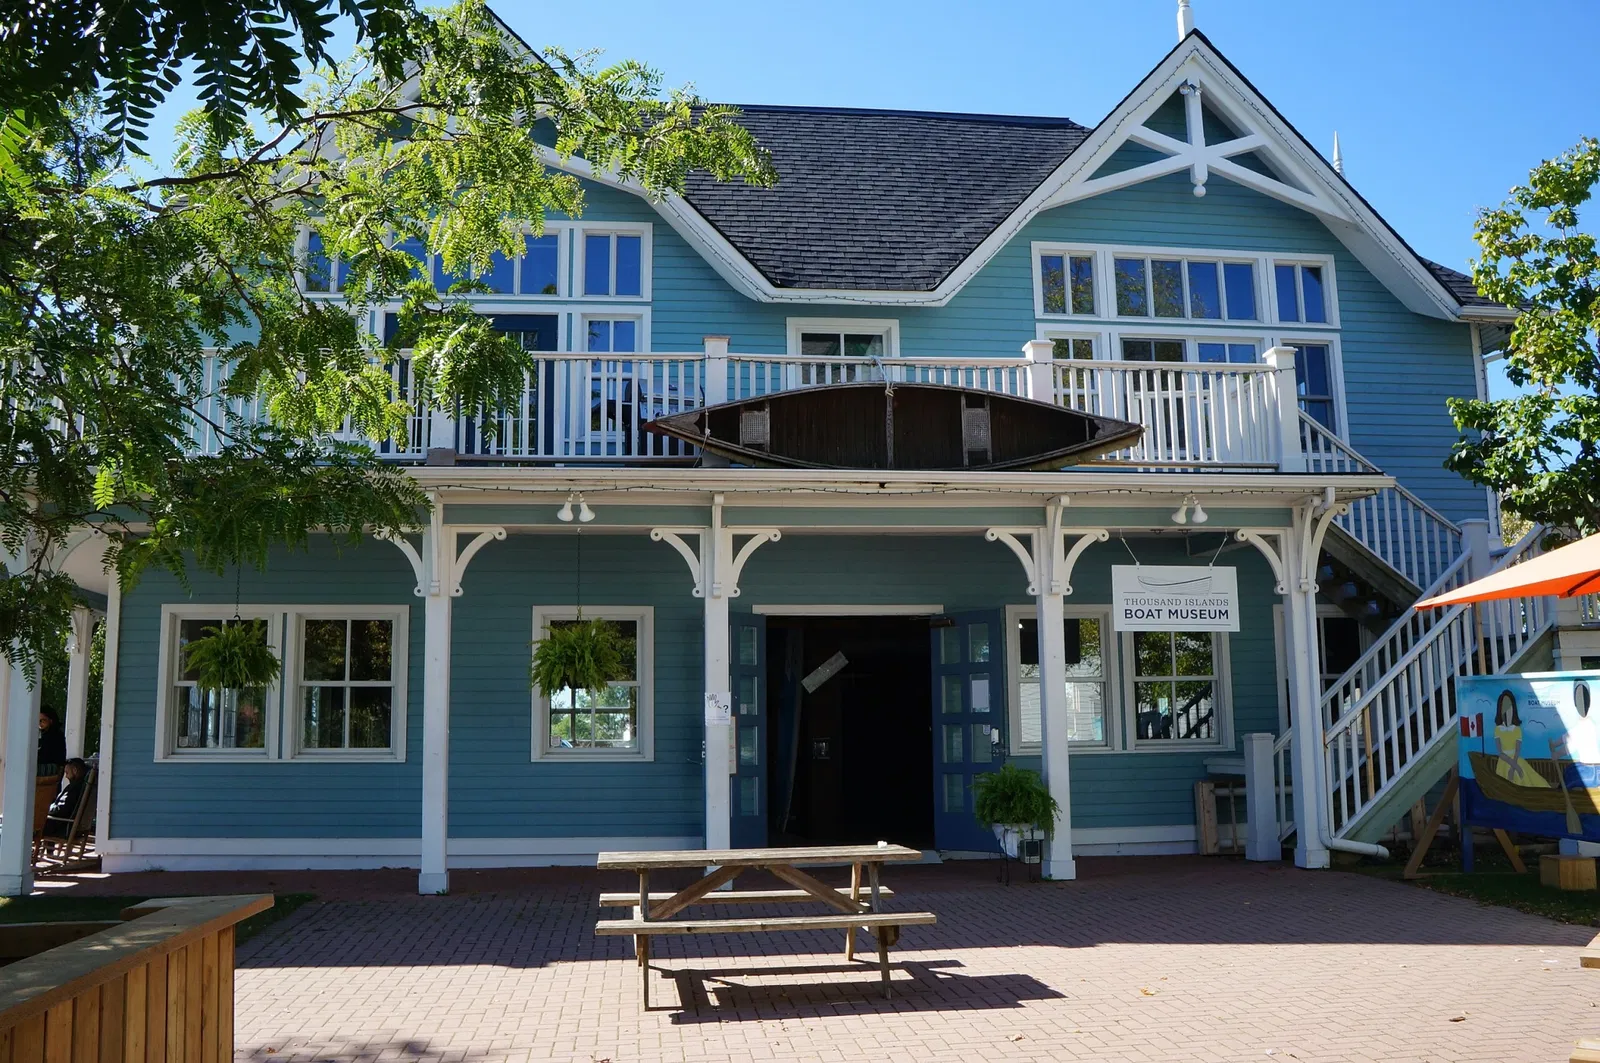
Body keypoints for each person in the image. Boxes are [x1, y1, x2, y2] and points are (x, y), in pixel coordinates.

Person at [1494, 689, 1550, 789]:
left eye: (1510, 707)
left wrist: (1514, 766)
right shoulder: (1498, 730)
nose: (1507, 711)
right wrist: (1515, 767)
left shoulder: (1517, 729)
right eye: (1504, 708)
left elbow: (1517, 750)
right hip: (1504, 762)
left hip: (1516, 759)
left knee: (1531, 780)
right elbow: (1500, 752)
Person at [43, 759, 89, 838]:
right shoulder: (83, 787)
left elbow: (61, 809)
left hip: (61, 827)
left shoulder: (73, 790)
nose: (66, 776)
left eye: (67, 773)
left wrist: (45, 809)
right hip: (71, 827)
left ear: (75, 770)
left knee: (32, 824)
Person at [36, 709, 66, 774]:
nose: (40, 723)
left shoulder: (54, 735)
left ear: (51, 720)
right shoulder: (45, 734)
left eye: (42, 720)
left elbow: (45, 755)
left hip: (53, 767)